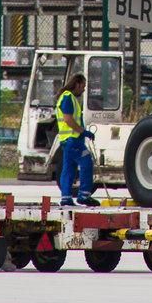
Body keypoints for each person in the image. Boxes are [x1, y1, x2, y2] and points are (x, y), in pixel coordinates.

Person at [56, 72, 95, 205]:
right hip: (73, 141)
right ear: (77, 84)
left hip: (68, 141)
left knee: (69, 168)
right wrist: (83, 132)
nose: (84, 89)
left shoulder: (67, 97)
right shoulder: (68, 97)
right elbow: (68, 120)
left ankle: (66, 197)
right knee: (86, 162)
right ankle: (84, 195)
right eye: (83, 86)